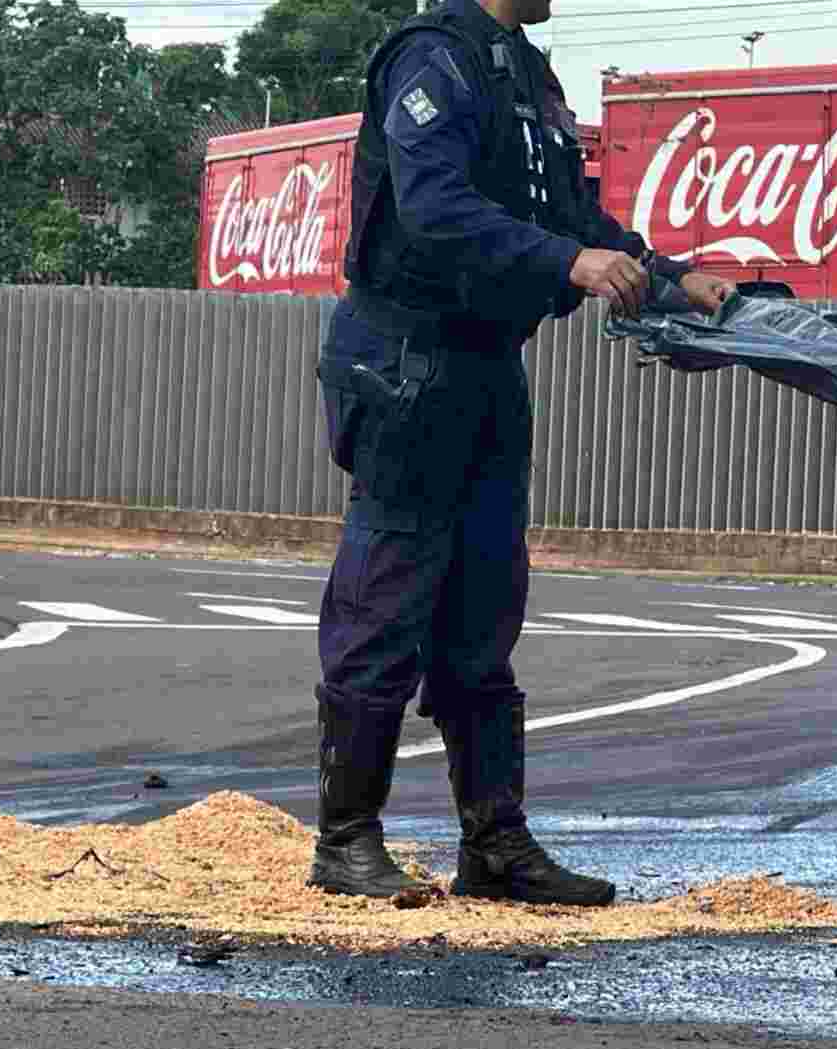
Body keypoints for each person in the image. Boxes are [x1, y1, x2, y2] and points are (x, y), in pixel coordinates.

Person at [309, 0, 735, 907]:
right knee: (386, 597)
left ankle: (495, 847)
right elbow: (434, 209)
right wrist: (567, 263)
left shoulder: (523, 72)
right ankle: (346, 841)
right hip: (405, 360)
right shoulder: (435, 58)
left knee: (486, 606)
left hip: (484, 366)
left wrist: (666, 276)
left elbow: (571, 212)